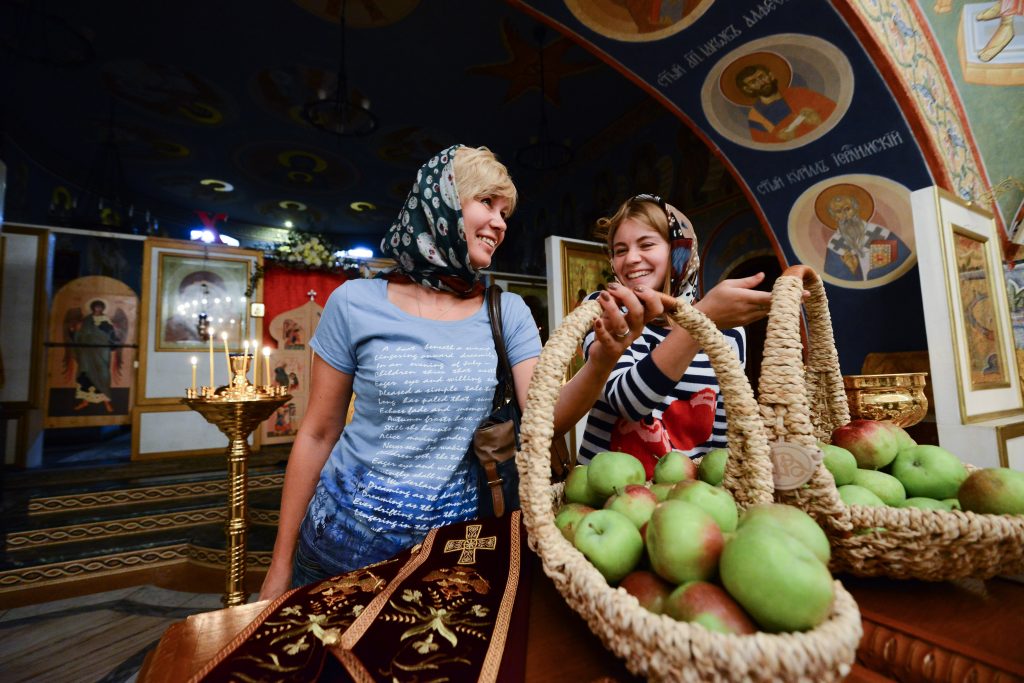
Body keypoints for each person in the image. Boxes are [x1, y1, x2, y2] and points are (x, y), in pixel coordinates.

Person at [259, 145, 644, 600]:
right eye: (487, 203)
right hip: (340, 547)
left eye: (506, 212)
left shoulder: (509, 312)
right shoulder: (353, 303)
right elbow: (318, 434)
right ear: (438, 201)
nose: (501, 224)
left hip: (455, 552)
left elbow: (548, 419)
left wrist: (601, 361)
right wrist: (279, 565)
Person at [576, 194, 772, 477]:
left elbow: (724, 431)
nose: (631, 259)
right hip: (607, 493)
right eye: (620, 250)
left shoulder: (729, 330)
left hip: (693, 495)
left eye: (646, 244)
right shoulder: (604, 309)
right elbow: (628, 401)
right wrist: (701, 321)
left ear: (679, 251)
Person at [734, 64, 836, 144]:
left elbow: (833, 110)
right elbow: (764, 148)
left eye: (761, 76)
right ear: (748, 89)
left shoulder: (799, 93)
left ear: (771, 76)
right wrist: (781, 139)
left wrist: (818, 118)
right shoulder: (756, 116)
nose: (761, 82)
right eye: (753, 82)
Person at [822, 192, 910, 282]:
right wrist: (852, 270)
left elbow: (905, 260)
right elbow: (833, 281)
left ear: (855, 209)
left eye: (847, 209)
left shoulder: (880, 233)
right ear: (834, 217)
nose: (845, 215)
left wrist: (874, 275)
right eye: (839, 211)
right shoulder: (834, 245)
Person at [68, 299, 120, 413]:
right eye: (96, 307)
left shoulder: (106, 321)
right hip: (87, 353)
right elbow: (79, 334)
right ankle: (85, 401)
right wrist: (73, 332)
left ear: (102, 308)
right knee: (85, 375)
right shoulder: (86, 320)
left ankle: (106, 402)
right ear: (92, 308)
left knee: (103, 376)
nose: (98, 309)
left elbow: (111, 336)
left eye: (100, 307)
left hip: (101, 352)